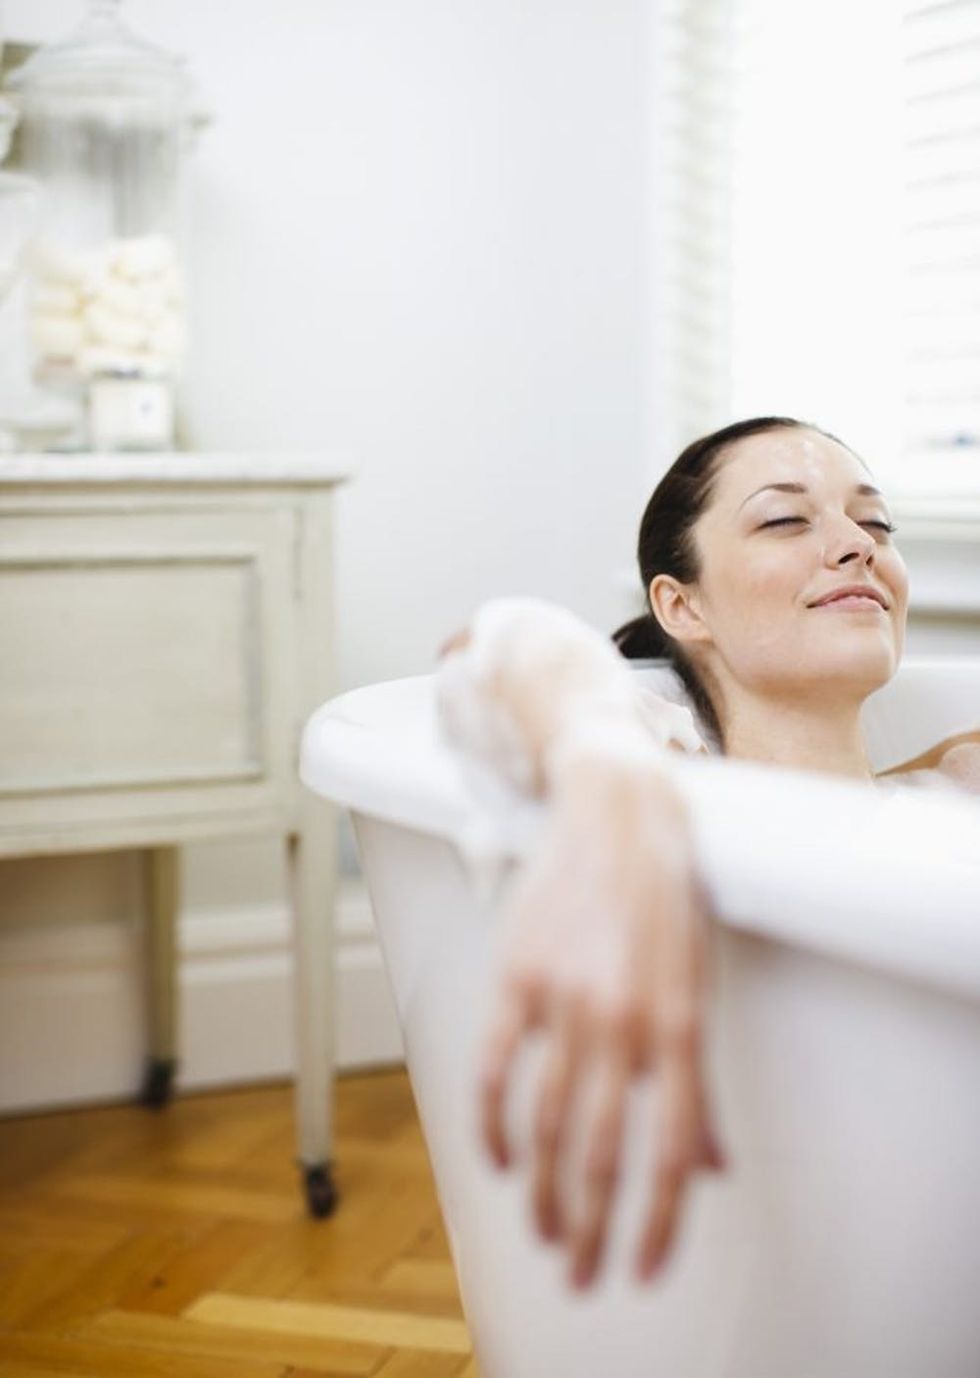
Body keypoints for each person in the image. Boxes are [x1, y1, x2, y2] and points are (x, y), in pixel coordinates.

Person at [434, 415, 980, 1294]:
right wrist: (600, 755)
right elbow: (502, 648)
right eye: (785, 520)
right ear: (681, 606)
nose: (855, 547)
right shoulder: (655, 779)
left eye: (875, 524)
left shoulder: (954, 785)